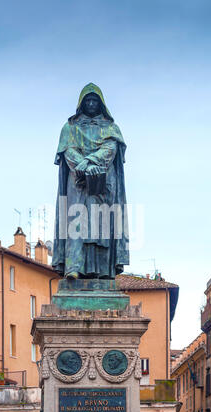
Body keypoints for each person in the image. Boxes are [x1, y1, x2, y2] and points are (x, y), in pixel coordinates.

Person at [52, 83, 129, 280]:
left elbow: (111, 149)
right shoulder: (69, 128)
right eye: (88, 100)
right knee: (75, 221)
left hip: (104, 179)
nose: (92, 104)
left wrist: (91, 161)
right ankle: (73, 267)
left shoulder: (111, 128)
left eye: (95, 100)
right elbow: (67, 150)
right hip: (77, 179)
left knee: (101, 223)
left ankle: (103, 270)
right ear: (82, 103)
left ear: (101, 103)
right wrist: (84, 166)